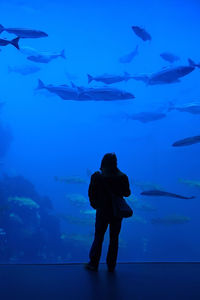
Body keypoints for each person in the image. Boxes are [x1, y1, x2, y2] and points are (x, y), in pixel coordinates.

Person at [84, 153, 131, 272]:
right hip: (116, 212)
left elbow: (91, 193)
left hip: (102, 211)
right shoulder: (122, 177)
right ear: (116, 163)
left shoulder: (97, 177)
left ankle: (93, 263)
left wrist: (95, 205)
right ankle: (111, 265)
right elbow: (127, 193)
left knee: (98, 237)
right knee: (114, 238)